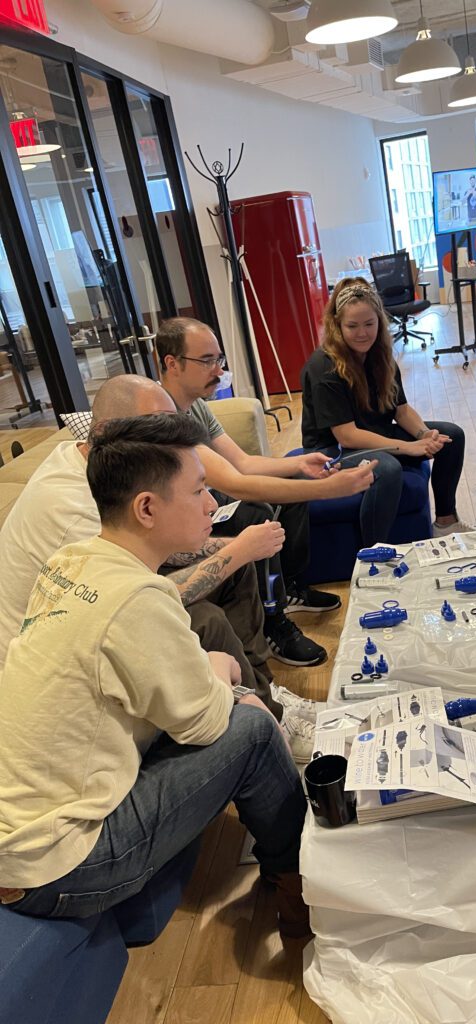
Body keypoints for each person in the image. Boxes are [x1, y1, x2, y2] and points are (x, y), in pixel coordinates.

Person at [0, 415, 310, 941]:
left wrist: (219, 681)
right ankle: (297, 887)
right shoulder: (135, 599)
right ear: (146, 507)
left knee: (226, 688)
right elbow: (208, 723)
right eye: (199, 490)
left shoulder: (73, 560)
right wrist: (226, 674)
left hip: (19, 841)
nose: (213, 504)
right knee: (252, 731)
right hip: (56, 867)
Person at [0, 375, 319, 758]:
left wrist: (237, 548)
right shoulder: (76, 512)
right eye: (156, 429)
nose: (172, 440)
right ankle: (265, 718)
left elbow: (159, 558)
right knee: (207, 617)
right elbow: (140, 601)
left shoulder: (97, 465)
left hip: (109, 607)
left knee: (236, 561)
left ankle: (264, 692)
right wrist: (234, 552)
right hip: (68, 661)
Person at [156, 317, 376, 667]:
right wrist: (329, 489)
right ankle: (272, 622)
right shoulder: (163, 414)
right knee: (255, 513)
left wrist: (300, 467)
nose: (218, 370)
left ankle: (287, 589)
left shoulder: (195, 404)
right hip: (181, 513)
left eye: (219, 360)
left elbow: (242, 462)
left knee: (293, 491)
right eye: (207, 361)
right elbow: (234, 482)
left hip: (206, 498)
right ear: (172, 363)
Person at [301, 278, 470, 545]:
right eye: (352, 326)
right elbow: (347, 436)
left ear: (380, 321)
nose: (362, 333)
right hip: (332, 449)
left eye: (369, 324)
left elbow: (401, 411)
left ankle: (445, 522)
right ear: (337, 325)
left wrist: (425, 434)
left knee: (451, 436)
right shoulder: (324, 366)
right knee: (387, 468)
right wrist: (407, 447)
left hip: (371, 435)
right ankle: (373, 552)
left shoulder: (380, 354)